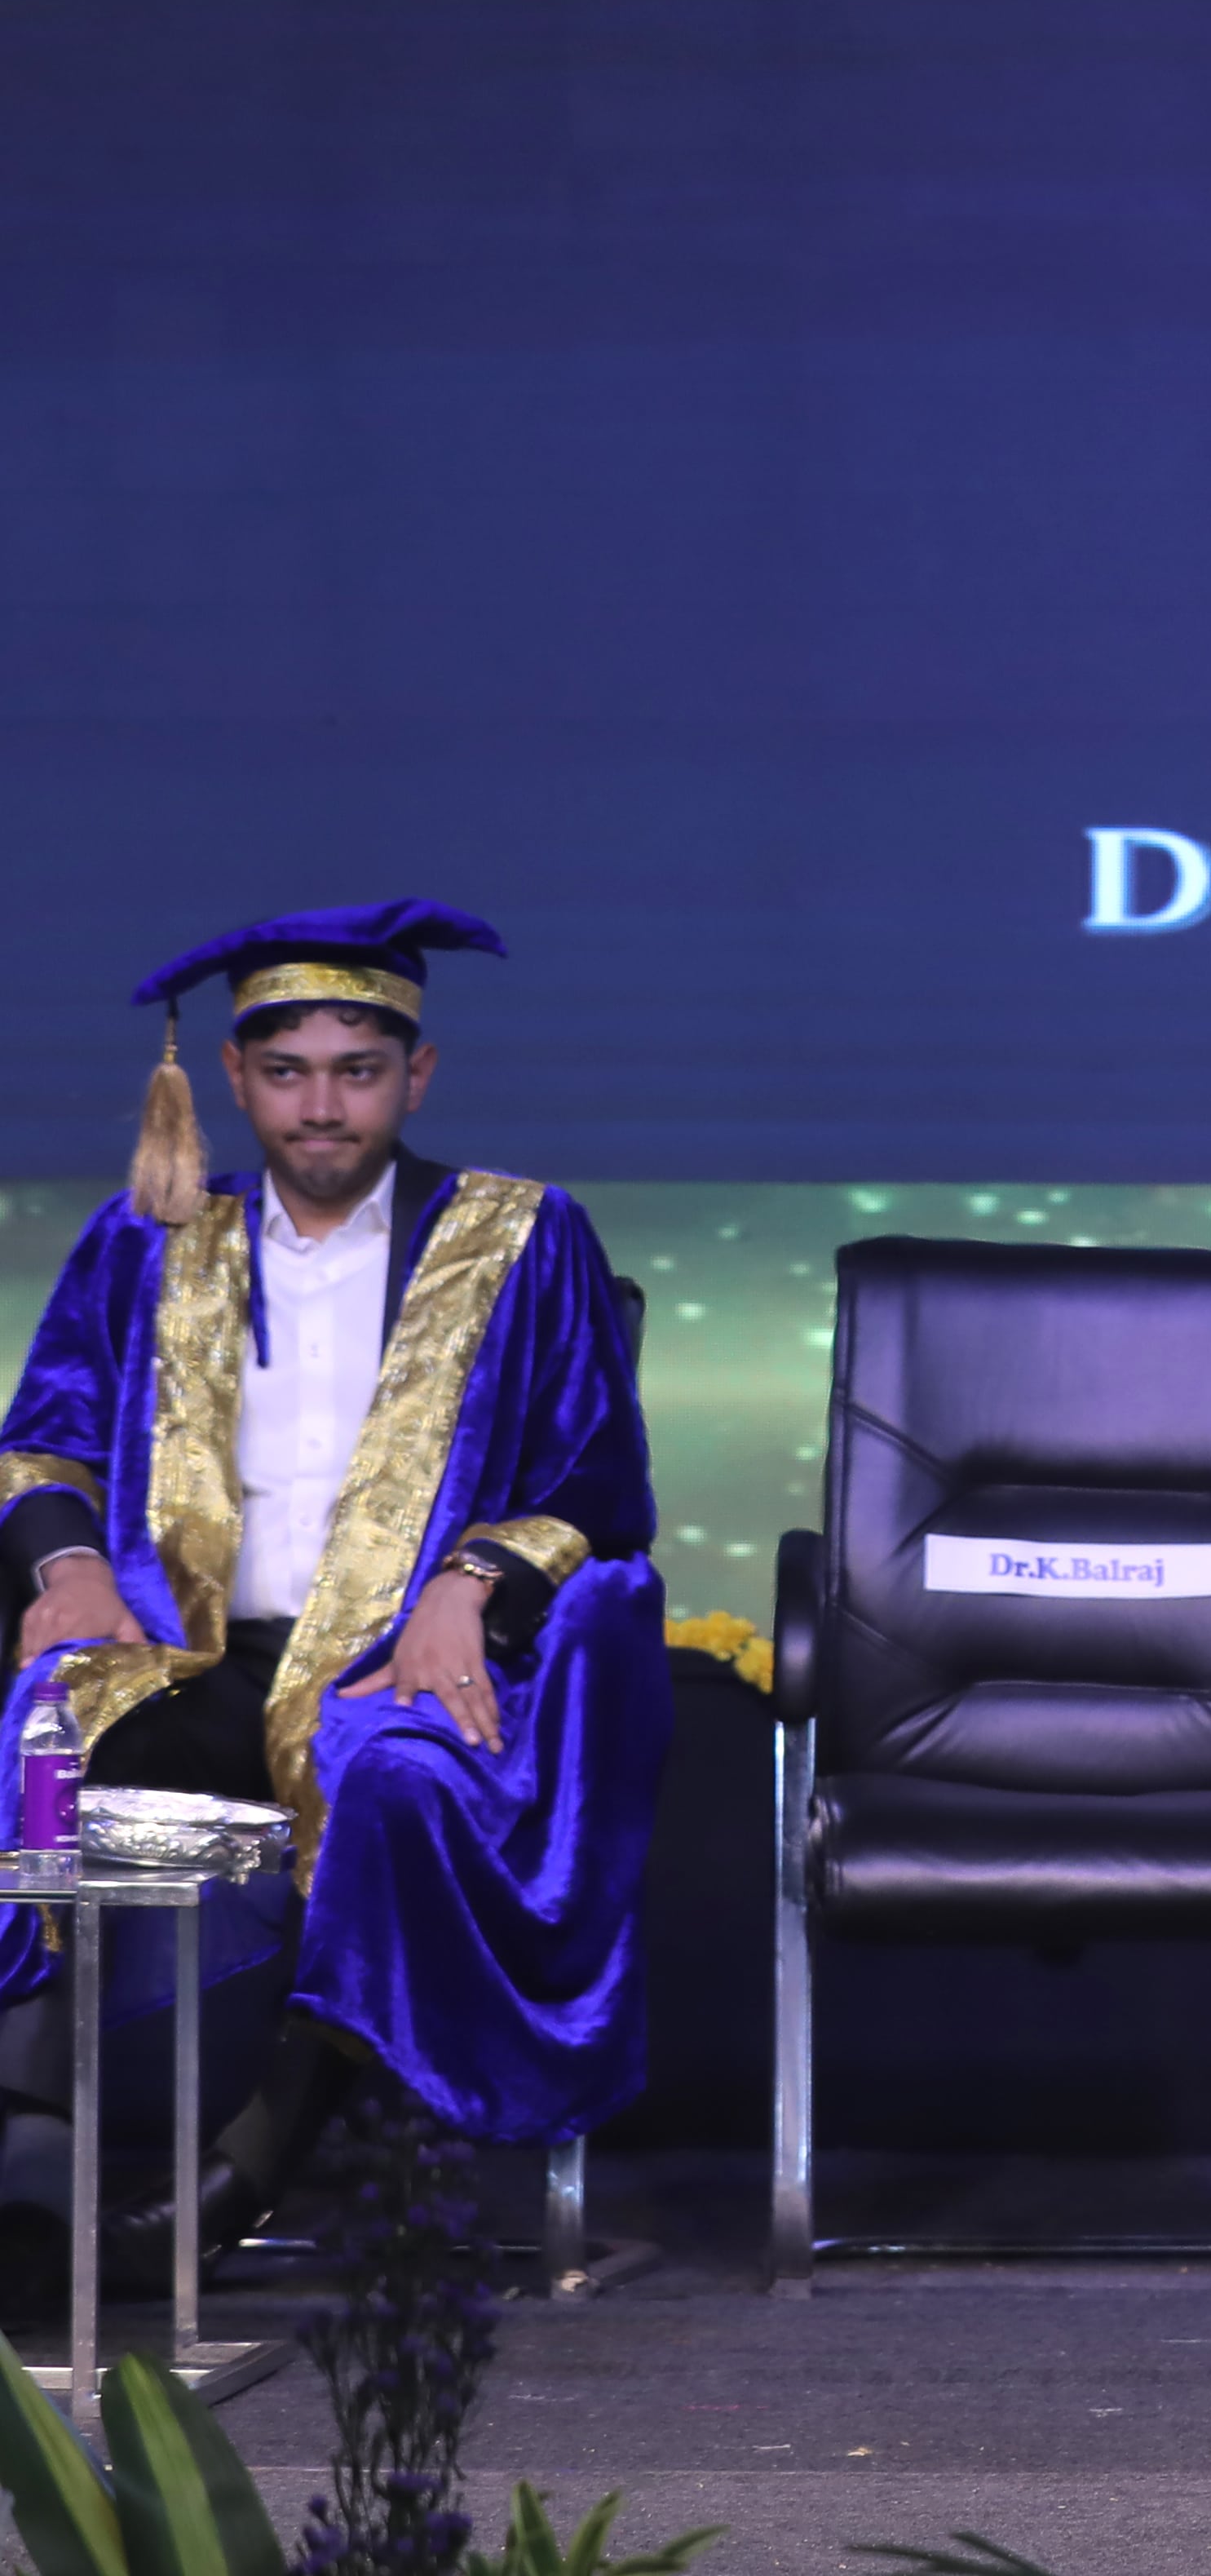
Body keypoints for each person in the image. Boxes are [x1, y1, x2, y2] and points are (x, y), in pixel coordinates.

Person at [0, 903, 664, 2288]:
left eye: (357, 1071)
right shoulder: (150, 1239)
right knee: (41, 1750)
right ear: (233, 1080)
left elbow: (598, 1484)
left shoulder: (518, 1237)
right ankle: (28, 2151)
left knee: (394, 1785)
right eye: (287, 1072)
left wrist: (471, 1583)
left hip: (396, 1663)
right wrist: (69, 1567)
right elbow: (44, 1443)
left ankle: (240, 2175)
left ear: (416, 1076)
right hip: (189, 1653)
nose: (321, 1106)